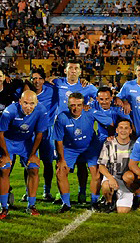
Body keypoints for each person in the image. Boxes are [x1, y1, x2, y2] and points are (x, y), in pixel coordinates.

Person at [54, 92, 113, 212]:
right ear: (68, 105)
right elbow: (58, 140)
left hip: (90, 146)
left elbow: (109, 121)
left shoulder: (90, 112)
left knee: (95, 172)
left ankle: (94, 202)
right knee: (60, 171)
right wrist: (61, 160)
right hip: (70, 148)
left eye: (79, 105)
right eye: (73, 105)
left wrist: (110, 134)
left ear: (83, 105)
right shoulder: (61, 118)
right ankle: (66, 203)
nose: (76, 108)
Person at [52, 60, 99, 204]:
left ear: (80, 71)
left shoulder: (87, 86)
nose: (73, 70)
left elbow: (101, 99)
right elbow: (46, 82)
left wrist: (89, 105)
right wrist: (51, 79)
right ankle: (61, 196)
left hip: (83, 131)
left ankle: (83, 192)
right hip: (64, 131)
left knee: (83, 166)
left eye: (76, 68)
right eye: (70, 68)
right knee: (60, 166)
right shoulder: (57, 83)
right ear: (65, 70)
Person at [0, 91, 47, 218]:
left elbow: (39, 134)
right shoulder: (9, 111)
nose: (28, 106)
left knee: (34, 169)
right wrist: (5, 155)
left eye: (32, 104)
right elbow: (1, 134)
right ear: (20, 102)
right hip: (8, 141)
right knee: (4, 169)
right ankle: (4, 207)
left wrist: (33, 155)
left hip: (26, 141)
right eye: (25, 103)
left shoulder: (42, 111)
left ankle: (31, 205)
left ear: (36, 104)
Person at [26, 69, 57, 202]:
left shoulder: (51, 90)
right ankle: (28, 192)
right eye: (34, 78)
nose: (36, 81)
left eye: (39, 78)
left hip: (46, 132)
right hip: (30, 133)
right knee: (29, 162)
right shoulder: (26, 94)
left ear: (44, 80)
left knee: (48, 162)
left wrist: (55, 78)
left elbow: (65, 85)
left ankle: (47, 191)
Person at [98, 118, 135, 213]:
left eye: (126, 128)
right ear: (117, 130)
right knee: (106, 185)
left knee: (122, 211)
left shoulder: (135, 145)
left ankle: (131, 196)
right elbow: (101, 166)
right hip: (112, 177)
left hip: (126, 180)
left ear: (130, 131)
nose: (123, 130)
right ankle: (109, 201)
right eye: (121, 128)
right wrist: (110, 178)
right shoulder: (109, 143)